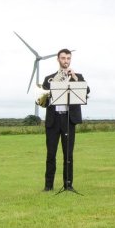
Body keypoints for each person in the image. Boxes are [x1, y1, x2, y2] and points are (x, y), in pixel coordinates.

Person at [41, 49, 85, 192]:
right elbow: (42, 100)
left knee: (68, 155)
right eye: (63, 58)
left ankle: (68, 185)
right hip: (53, 120)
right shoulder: (49, 78)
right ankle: (48, 186)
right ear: (58, 59)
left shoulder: (78, 77)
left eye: (68, 58)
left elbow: (86, 91)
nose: (66, 61)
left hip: (68, 119)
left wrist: (75, 78)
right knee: (51, 154)